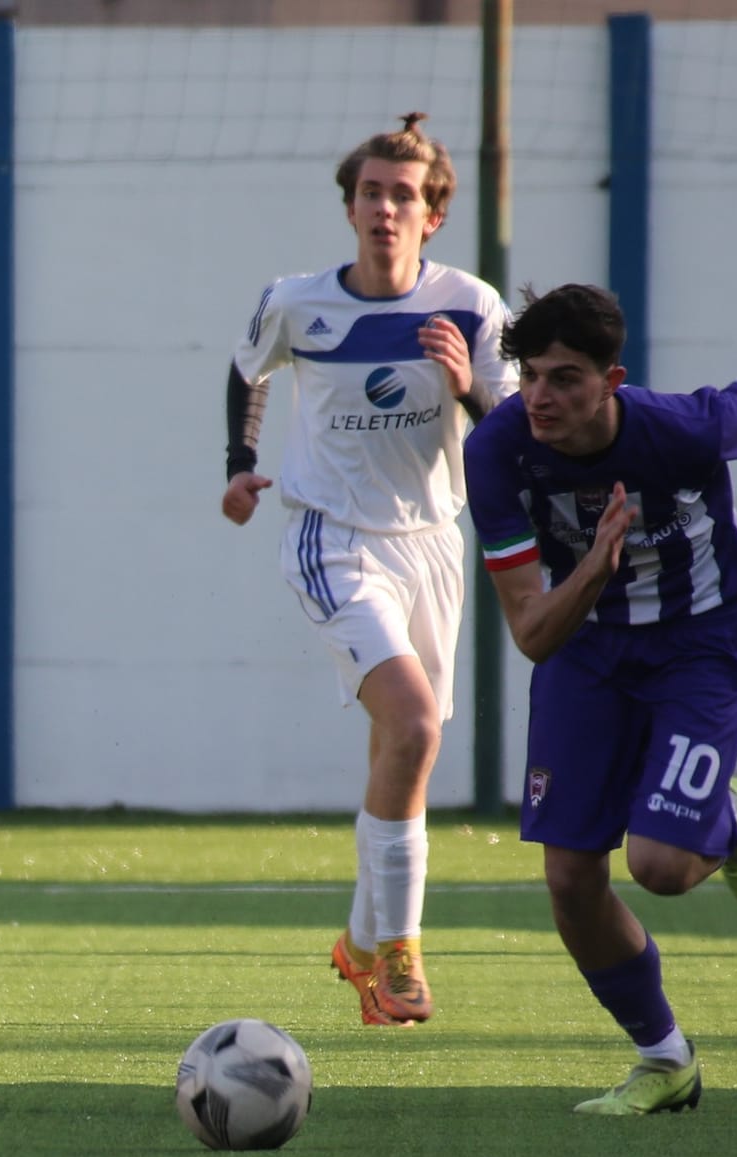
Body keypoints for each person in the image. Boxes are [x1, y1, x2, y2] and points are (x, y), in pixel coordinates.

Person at [464, 283, 737, 1114]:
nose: (540, 397)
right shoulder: (497, 451)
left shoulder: (686, 427)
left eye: (565, 377)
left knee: (663, 868)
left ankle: (725, 822)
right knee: (570, 879)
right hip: (583, 648)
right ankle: (664, 1057)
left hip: (697, 645)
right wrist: (595, 573)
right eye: (530, 375)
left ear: (613, 379)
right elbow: (532, 632)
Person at [222, 113, 516, 1026]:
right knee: (417, 726)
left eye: (406, 196)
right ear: (350, 206)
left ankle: (356, 946)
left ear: (434, 214)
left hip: (432, 544)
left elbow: (510, 429)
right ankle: (400, 955)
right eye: (373, 193)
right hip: (331, 535)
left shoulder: (470, 305)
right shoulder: (298, 303)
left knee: (404, 752)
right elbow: (248, 371)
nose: (387, 209)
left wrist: (468, 382)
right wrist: (238, 464)